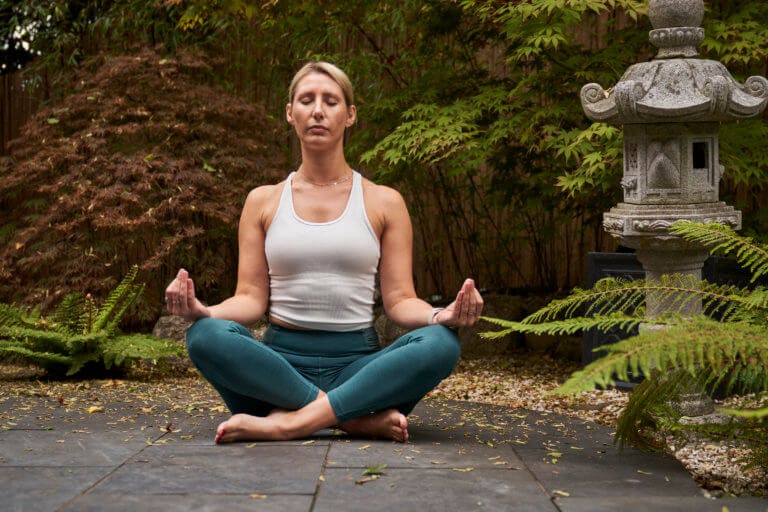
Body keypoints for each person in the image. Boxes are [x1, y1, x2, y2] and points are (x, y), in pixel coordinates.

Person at [164, 61, 483, 444]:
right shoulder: (262, 201)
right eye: (306, 100)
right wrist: (205, 311)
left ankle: (288, 423)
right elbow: (250, 299)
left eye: (330, 101)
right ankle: (350, 419)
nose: (317, 110)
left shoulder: (384, 202)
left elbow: (399, 301)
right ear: (290, 113)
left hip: (360, 369)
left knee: (441, 342)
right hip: (277, 370)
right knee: (204, 335)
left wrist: (440, 314)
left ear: (349, 116)